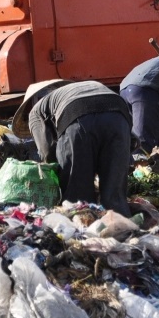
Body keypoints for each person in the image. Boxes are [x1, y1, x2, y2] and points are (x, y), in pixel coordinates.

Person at [13, 79, 134, 216]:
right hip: (118, 113)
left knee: (77, 197)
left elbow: (46, 151)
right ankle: (124, 230)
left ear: (30, 104)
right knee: (115, 196)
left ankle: (82, 230)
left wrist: (58, 173)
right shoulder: (73, 91)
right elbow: (131, 138)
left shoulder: (34, 112)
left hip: (77, 115)